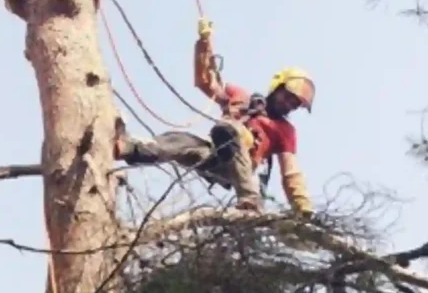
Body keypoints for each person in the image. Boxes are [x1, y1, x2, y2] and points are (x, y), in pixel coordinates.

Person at [114, 17, 315, 214]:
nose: (288, 105)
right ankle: (128, 148)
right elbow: (205, 82)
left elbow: (291, 172)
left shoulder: (284, 130)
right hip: (213, 155)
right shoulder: (241, 98)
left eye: (294, 104)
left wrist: (302, 205)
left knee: (232, 131)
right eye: (287, 97)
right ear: (277, 87)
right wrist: (203, 44)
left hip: (240, 168)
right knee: (176, 141)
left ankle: (250, 200)